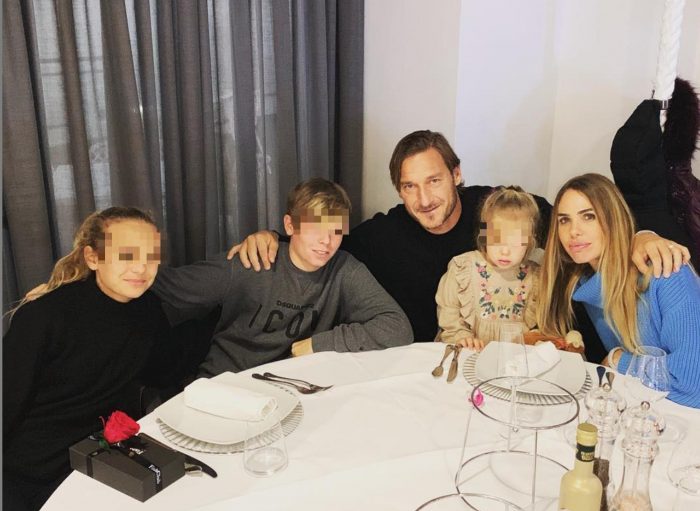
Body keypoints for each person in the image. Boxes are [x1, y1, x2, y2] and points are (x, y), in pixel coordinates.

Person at [228, 131, 690, 361]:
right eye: (409, 187)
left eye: (433, 180)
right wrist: (275, 237)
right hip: (432, 366)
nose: (424, 198)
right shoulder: (383, 235)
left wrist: (643, 234)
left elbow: (586, 220)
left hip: (522, 356)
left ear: (456, 174)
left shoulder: (497, 207)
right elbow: (323, 238)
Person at [3, 207, 170, 511]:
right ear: (93, 258)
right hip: (26, 470)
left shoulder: (149, 309)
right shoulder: (44, 315)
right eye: (126, 255)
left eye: (151, 256)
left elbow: (160, 372)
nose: (141, 268)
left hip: (95, 458)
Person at [152, 178, 413, 377]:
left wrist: (320, 344)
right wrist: (130, 260)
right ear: (290, 225)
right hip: (228, 384)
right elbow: (170, 286)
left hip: (294, 387)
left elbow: (398, 328)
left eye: (336, 230)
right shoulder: (252, 261)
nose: (326, 241)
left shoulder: (345, 269)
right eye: (316, 227)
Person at [537, 173, 700, 408]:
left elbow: (692, 384)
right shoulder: (582, 284)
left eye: (589, 216)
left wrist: (618, 359)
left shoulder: (666, 272)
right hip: (644, 411)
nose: (574, 231)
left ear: (613, 219)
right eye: (564, 220)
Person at [435, 186, 540, 350]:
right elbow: (449, 313)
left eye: (515, 242)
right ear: (484, 235)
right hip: (469, 352)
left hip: (512, 357)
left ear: (529, 241)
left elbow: (539, 327)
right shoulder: (463, 267)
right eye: (497, 239)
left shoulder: (535, 277)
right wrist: (462, 337)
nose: (505, 251)